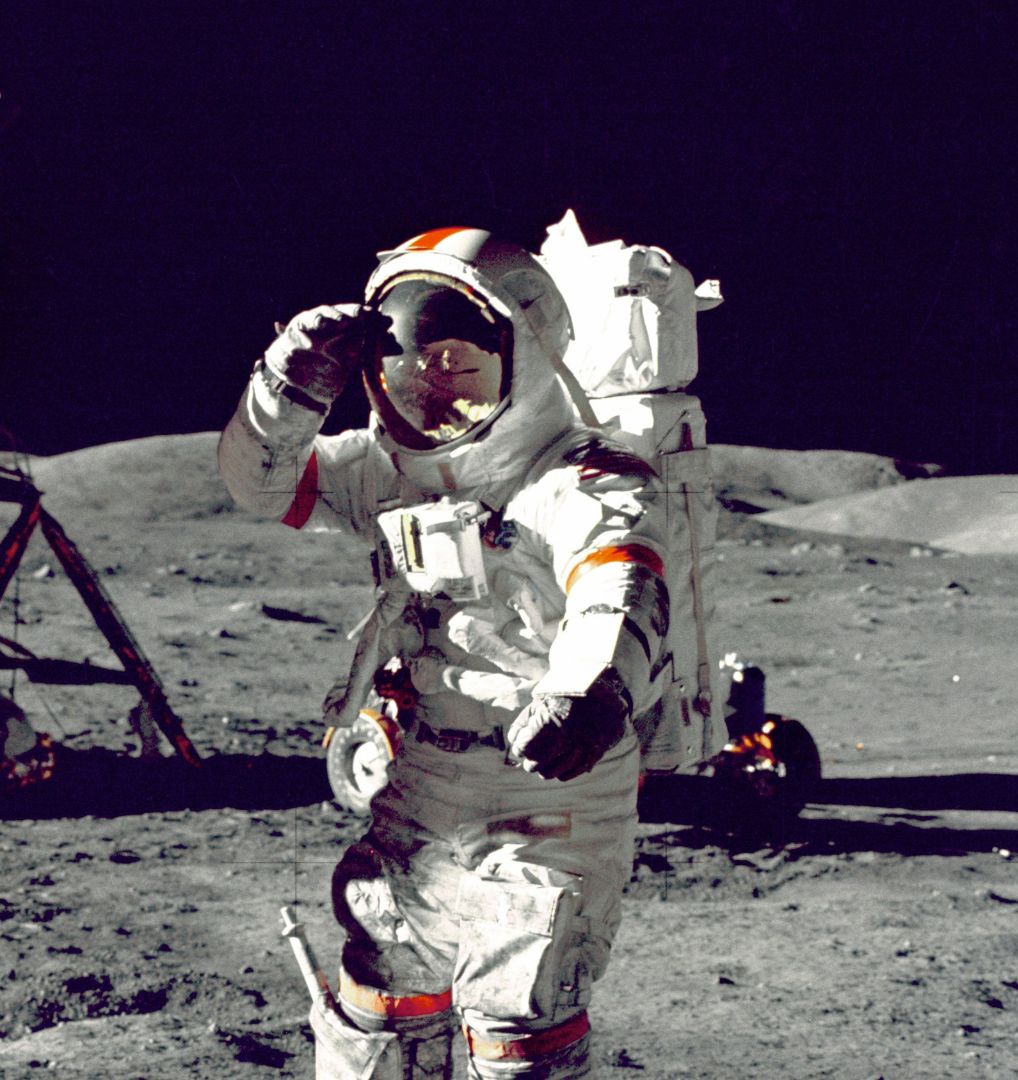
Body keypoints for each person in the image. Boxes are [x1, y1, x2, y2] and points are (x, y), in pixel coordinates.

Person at [220, 226, 676, 1079]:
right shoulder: (383, 471)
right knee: (381, 1005)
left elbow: (619, 581)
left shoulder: (581, 477)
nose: (434, 386)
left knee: (519, 1023)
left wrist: (590, 689)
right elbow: (261, 482)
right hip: (418, 786)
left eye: (462, 364)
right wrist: (285, 389)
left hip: (549, 798)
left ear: (525, 356)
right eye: (410, 364)